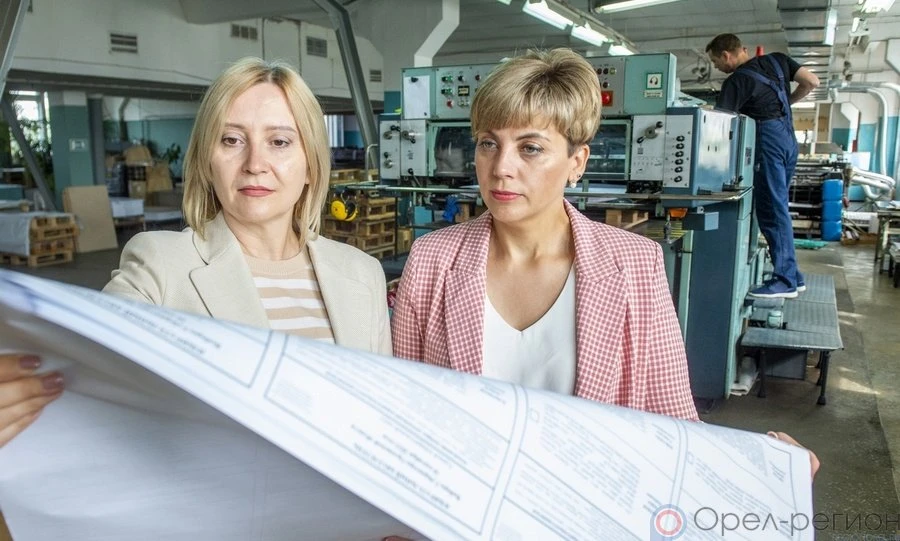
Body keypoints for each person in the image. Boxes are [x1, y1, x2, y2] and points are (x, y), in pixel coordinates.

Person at [0, 57, 391, 447]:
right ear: (207, 161)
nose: (255, 164)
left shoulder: (362, 273)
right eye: (231, 140)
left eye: (279, 142)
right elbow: (86, 371)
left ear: (311, 164)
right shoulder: (159, 267)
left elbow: (382, 418)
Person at [391, 48, 699, 421]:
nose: (501, 168)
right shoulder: (431, 260)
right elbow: (406, 408)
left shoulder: (634, 264)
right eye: (489, 143)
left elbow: (676, 419)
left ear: (577, 163)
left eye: (531, 148)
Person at [706, 33, 820, 299]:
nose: (716, 67)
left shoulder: (736, 81)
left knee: (771, 208)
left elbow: (719, 126)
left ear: (726, 55)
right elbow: (812, 81)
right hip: (788, 138)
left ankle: (785, 280)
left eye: (715, 61)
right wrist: (788, 102)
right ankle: (793, 275)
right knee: (779, 205)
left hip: (768, 142)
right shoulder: (778, 60)